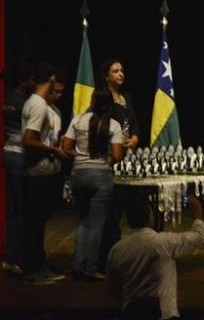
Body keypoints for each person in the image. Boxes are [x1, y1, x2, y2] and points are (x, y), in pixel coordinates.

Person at [107, 195, 204, 320]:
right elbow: (200, 237)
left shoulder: (117, 249)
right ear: (150, 218)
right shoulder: (164, 243)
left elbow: (113, 288)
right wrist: (197, 212)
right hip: (164, 318)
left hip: (132, 318)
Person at [62, 88, 124, 281]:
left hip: (78, 174)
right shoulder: (114, 125)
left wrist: (81, 157)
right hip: (101, 177)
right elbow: (117, 156)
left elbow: (66, 147)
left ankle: (77, 266)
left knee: (84, 222)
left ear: (92, 101)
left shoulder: (77, 120)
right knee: (96, 225)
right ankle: (90, 269)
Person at [21, 63, 70, 285]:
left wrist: (59, 147)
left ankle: (41, 265)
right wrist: (53, 151)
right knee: (34, 224)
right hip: (37, 173)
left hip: (47, 172)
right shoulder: (38, 104)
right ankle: (32, 271)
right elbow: (29, 140)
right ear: (51, 80)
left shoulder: (44, 106)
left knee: (39, 223)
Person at [99, 58, 141, 273]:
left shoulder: (126, 97)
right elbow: (100, 125)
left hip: (127, 157)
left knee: (130, 206)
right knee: (111, 213)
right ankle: (107, 259)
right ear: (106, 76)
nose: (120, 74)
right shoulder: (102, 97)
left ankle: (132, 256)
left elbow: (134, 124)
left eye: (122, 70)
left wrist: (134, 138)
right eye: (115, 71)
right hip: (109, 157)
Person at [1, 62, 35, 274]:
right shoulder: (24, 103)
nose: (35, 83)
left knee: (16, 207)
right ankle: (15, 257)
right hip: (19, 154)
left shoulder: (8, 100)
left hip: (8, 152)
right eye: (32, 79)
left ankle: (13, 256)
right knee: (22, 208)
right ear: (23, 81)